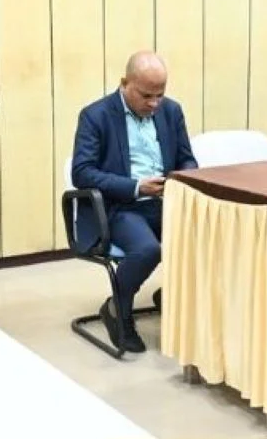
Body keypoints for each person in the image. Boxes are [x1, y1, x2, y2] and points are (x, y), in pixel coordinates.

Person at [70, 51, 198, 353]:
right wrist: (135, 186)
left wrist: (181, 178)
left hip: (165, 201)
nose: (154, 103)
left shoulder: (171, 111)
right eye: (146, 96)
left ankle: (172, 296)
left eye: (160, 95)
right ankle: (117, 308)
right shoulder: (96, 115)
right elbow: (82, 172)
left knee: (206, 235)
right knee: (147, 249)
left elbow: (187, 158)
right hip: (119, 205)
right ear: (125, 83)